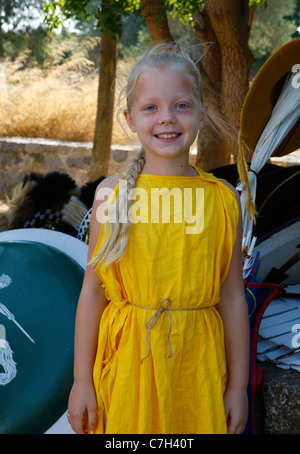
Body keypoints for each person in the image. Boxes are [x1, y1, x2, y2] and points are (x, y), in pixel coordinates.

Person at [67, 43, 250, 435]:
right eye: (150, 107)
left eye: (181, 105)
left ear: (202, 112)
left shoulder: (223, 199)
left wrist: (238, 386)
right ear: (129, 119)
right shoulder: (111, 197)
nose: (166, 118)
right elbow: (94, 291)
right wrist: (82, 381)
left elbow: (233, 295)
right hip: (127, 370)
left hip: (197, 370)